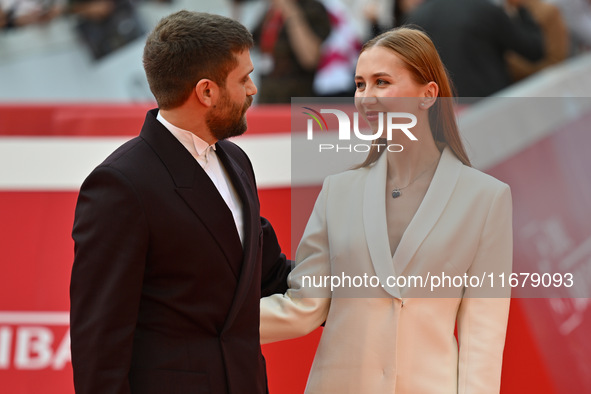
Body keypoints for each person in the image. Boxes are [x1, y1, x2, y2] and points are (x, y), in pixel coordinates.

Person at [260, 27, 513, 393]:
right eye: (360, 84)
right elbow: (306, 306)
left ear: (428, 95)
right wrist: (206, 326)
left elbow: (483, 338)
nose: (365, 98)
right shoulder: (338, 191)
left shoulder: (486, 198)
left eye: (382, 82)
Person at [70, 11, 290, 394]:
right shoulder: (121, 184)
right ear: (207, 92)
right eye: (244, 78)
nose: (253, 89)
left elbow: (270, 276)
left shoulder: (236, 162)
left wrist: (366, 283)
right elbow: (100, 343)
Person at [405, 0, 545, 97]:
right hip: (488, 106)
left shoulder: (416, 17)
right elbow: (534, 49)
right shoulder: (485, 10)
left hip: (441, 112)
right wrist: (520, 8)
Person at [251, 0, 331, 103]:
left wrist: (289, 10)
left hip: (297, 100)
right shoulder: (267, 9)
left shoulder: (312, 7)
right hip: (267, 98)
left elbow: (310, 59)